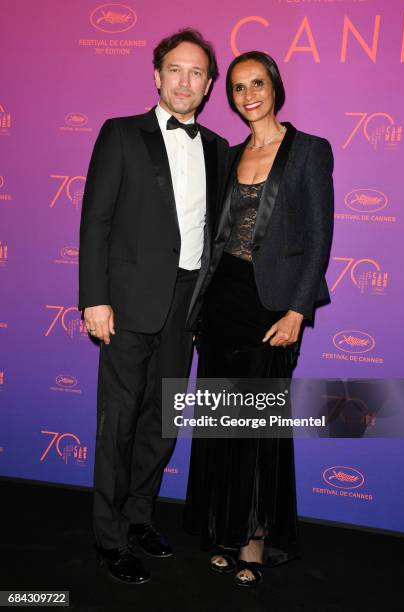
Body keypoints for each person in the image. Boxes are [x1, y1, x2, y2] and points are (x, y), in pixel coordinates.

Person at [78, 28, 229, 585]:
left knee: (161, 426)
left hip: (187, 308)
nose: (185, 81)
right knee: (117, 424)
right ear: (157, 76)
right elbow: (95, 220)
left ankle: (139, 518)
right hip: (125, 305)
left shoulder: (216, 148)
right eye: (175, 70)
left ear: (209, 85)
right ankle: (109, 537)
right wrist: (94, 297)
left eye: (197, 73)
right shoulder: (120, 134)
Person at [183, 51, 334, 587]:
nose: (248, 94)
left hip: (272, 308)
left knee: (258, 426)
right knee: (223, 425)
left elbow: (318, 237)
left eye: (258, 83)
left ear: (275, 87)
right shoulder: (229, 154)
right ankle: (223, 532)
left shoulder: (309, 151)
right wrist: (199, 306)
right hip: (222, 302)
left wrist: (298, 309)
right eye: (239, 87)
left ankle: (255, 542)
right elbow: (215, 239)